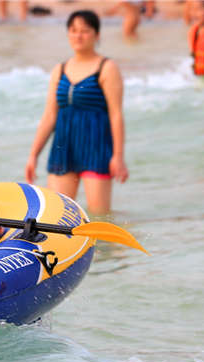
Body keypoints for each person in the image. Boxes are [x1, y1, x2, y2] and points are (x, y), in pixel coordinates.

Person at [25, 10, 129, 216]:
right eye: (73, 31)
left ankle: (107, 249)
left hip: (97, 149)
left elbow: (116, 115)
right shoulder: (60, 70)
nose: (78, 36)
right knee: (57, 217)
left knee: (100, 217)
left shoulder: (106, 68)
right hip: (63, 149)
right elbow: (50, 116)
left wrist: (118, 156)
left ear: (97, 35)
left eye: (84, 31)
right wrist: (33, 155)